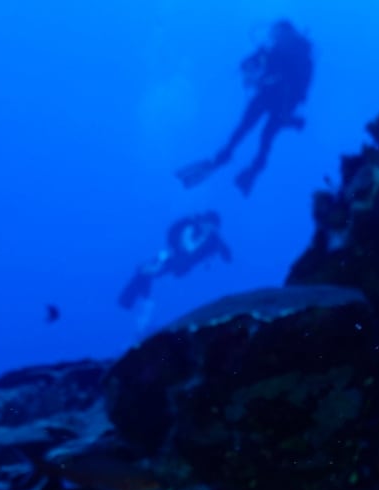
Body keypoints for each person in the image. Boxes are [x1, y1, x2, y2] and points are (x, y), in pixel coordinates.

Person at [177, 20, 313, 196]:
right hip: (266, 97)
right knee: (245, 130)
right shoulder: (270, 51)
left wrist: (270, 80)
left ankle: (250, 170)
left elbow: (298, 83)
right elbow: (247, 63)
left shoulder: (301, 55)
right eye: (274, 34)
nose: (275, 37)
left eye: (278, 34)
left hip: (284, 104)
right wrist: (249, 69)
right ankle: (223, 157)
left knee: (265, 139)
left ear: (289, 34)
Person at [118, 211, 233, 310]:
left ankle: (139, 298)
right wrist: (203, 239)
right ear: (204, 221)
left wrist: (224, 252)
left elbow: (224, 252)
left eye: (213, 228)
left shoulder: (213, 238)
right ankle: (131, 300)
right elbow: (189, 248)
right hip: (172, 257)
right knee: (149, 271)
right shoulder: (190, 226)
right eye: (209, 225)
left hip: (180, 263)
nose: (209, 229)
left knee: (152, 273)